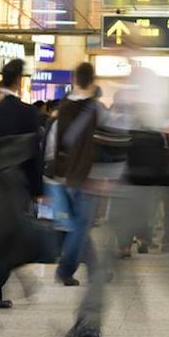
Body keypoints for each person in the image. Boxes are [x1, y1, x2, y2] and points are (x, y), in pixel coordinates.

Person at [0, 58, 45, 309]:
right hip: (16, 185)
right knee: (15, 239)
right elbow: (33, 153)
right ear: (19, 82)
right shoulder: (27, 113)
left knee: (3, 236)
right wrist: (37, 188)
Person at [51, 62, 102, 287]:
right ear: (92, 81)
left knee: (81, 224)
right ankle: (65, 268)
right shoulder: (96, 110)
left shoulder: (63, 107)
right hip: (89, 176)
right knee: (81, 225)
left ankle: (95, 269)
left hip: (67, 175)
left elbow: (55, 141)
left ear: (74, 80)